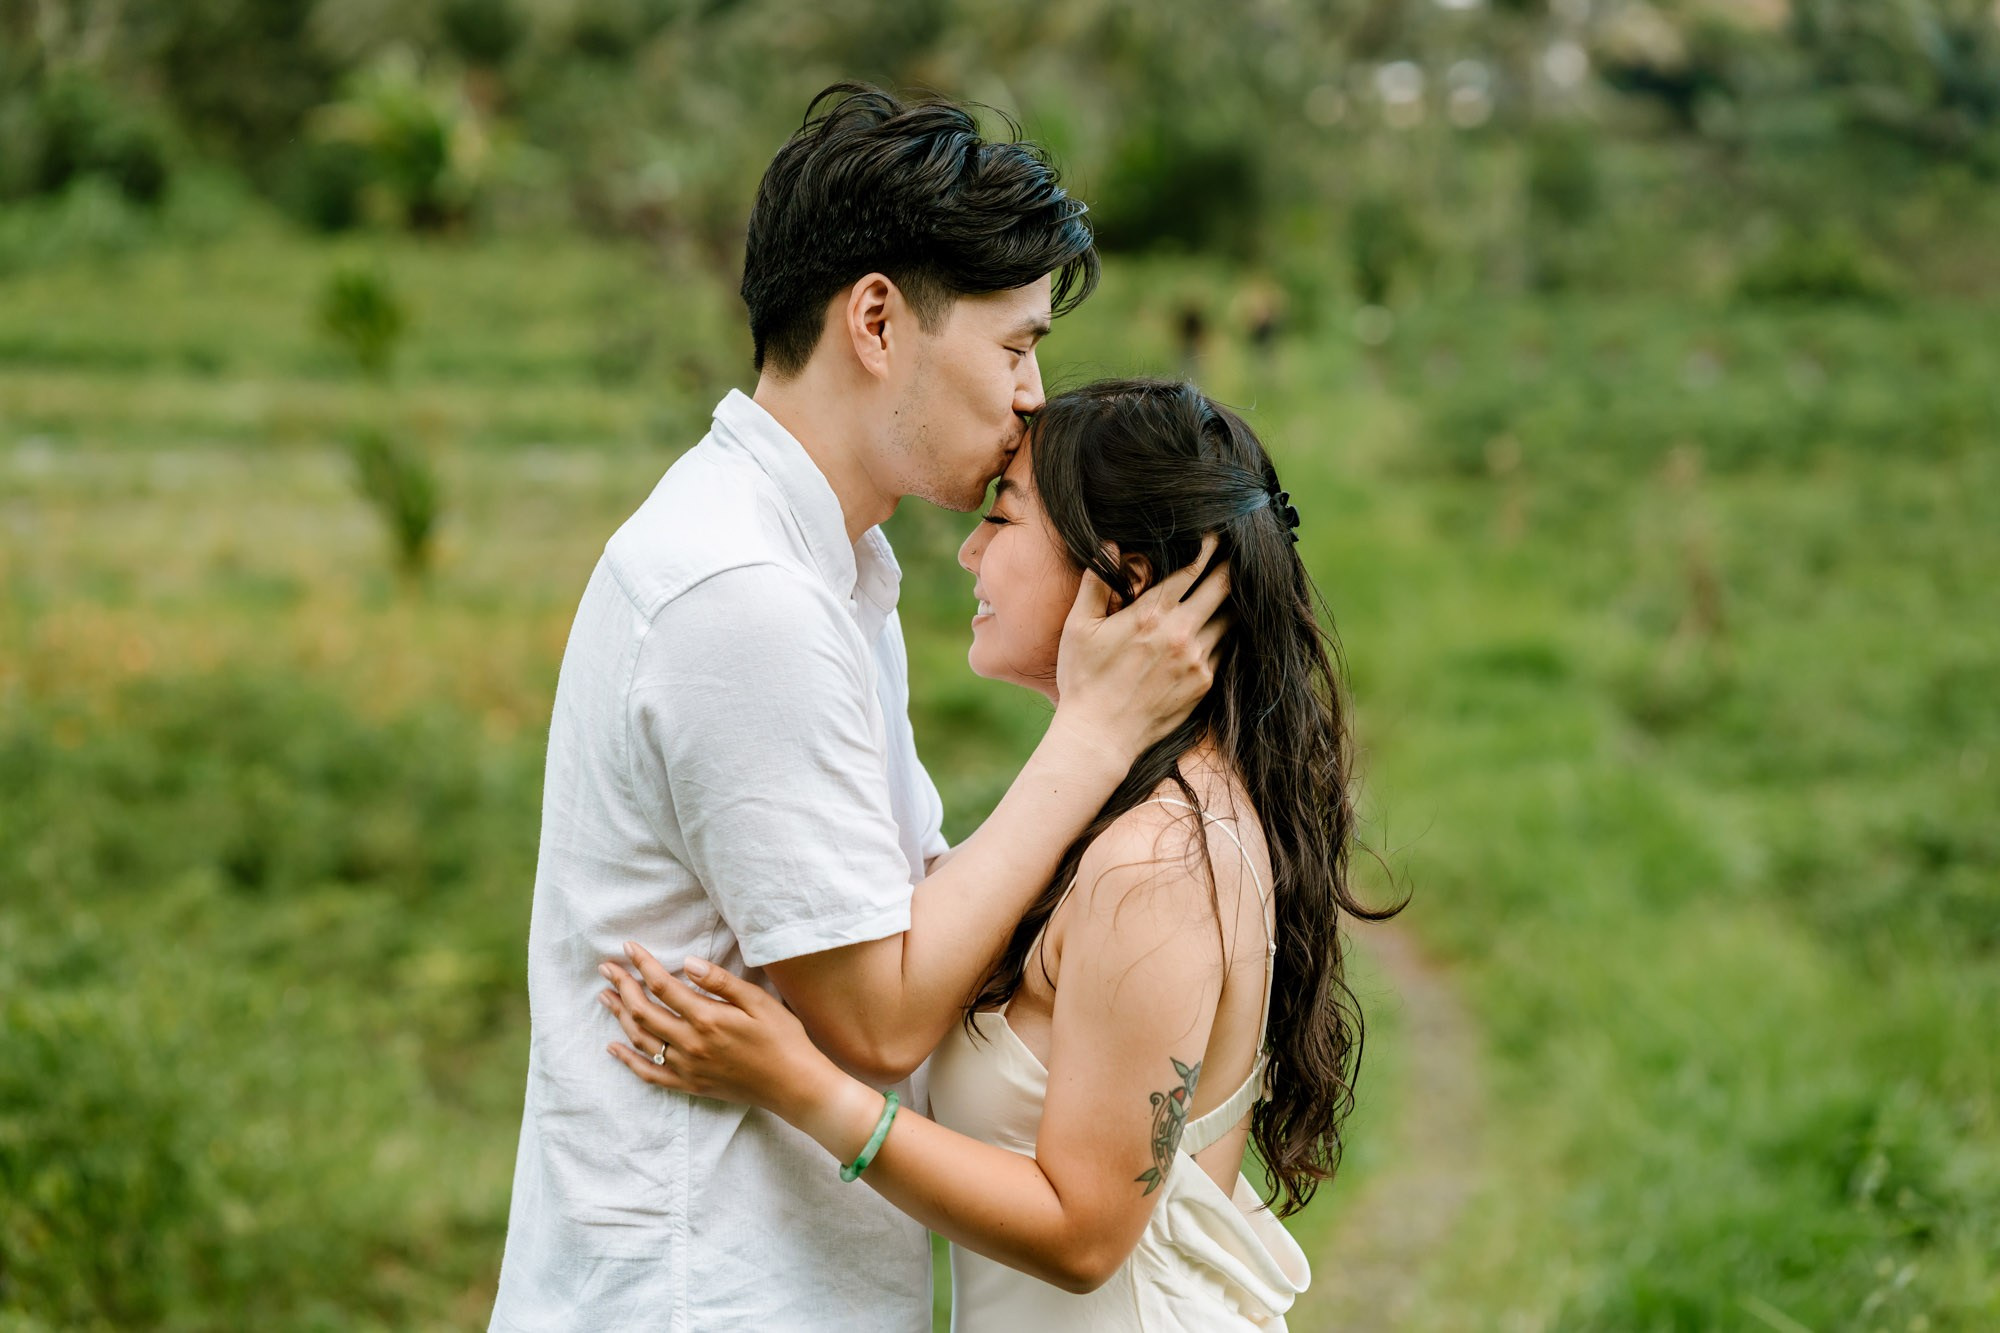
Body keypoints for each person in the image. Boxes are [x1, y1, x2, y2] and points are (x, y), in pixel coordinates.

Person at [486, 87, 1234, 1332]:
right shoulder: (747, 598)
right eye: (1012, 347)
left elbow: (905, 915)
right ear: (877, 320)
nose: (1035, 396)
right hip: (705, 1292)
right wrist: (1094, 734)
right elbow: (879, 1016)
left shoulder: (823, 567)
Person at [600, 378, 1403, 1330]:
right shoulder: (1118, 803)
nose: (971, 550)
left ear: (1124, 577)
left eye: (1004, 516)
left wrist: (794, 1081)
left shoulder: (1156, 859)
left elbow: (1084, 1235)